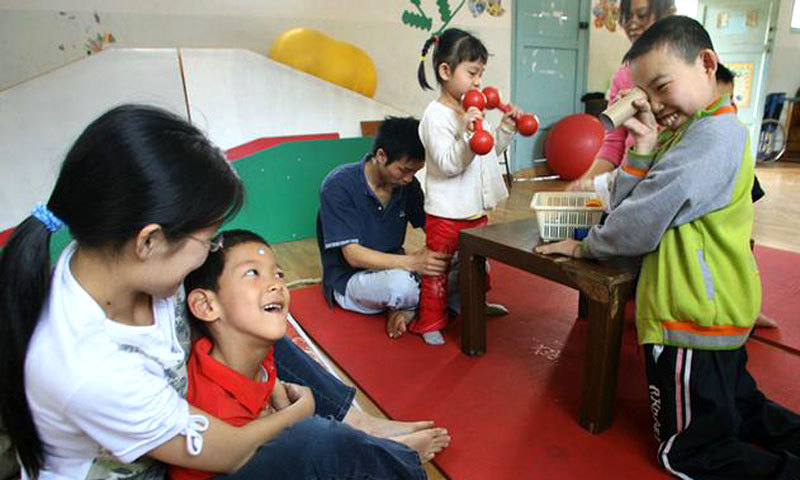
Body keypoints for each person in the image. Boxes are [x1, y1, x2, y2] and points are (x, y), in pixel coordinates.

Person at [0, 105, 433, 480]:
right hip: (182, 465)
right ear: (149, 241)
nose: (210, 250)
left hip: (188, 430)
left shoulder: (116, 261)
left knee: (253, 317)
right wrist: (300, 411)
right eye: (207, 239)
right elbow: (231, 452)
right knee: (317, 442)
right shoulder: (88, 368)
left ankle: (360, 424)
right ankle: (378, 450)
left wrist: (265, 375)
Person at [537, 17, 800, 479]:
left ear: (706, 63)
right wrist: (642, 148)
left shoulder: (712, 136)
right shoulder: (693, 132)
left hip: (691, 318)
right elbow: (626, 201)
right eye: (647, 95)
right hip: (714, 312)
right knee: (741, 407)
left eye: (662, 87)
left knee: (686, 452)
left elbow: (639, 221)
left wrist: (585, 248)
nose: (656, 106)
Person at [171, 229, 450, 480]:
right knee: (319, 439)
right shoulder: (213, 403)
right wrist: (299, 412)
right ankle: (389, 453)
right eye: (252, 273)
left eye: (278, 274)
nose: (276, 284)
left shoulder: (249, 354)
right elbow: (249, 454)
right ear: (206, 305)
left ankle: (373, 442)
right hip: (232, 464)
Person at [414, 28, 517, 345]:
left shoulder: (472, 111)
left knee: (477, 264)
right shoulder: (436, 116)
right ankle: (430, 321)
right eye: (472, 73)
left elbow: (487, 154)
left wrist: (505, 129)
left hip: (475, 209)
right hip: (445, 213)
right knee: (438, 268)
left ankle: (474, 304)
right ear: (445, 71)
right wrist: (469, 132)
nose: (478, 82)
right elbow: (448, 163)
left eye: (481, 74)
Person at [317, 116, 453, 340]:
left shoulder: (408, 186)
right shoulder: (338, 184)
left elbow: (431, 227)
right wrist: (413, 262)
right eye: (404, 170)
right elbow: (353, 256)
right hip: (351, 279)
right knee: (400, 285)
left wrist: (447, 251)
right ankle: (415, 306)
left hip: (397, 268)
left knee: (467, 264)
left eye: (414, 172)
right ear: (381, 156)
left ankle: (406, 307)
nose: (409, 178)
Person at [568, 0, 676, 192]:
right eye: (626, 18)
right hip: (631, 183)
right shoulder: (623, 76)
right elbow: (614, 144)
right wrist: (584, 183)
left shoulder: (687, 71)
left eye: (642, 15)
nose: (632, 24)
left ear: (669, 12)